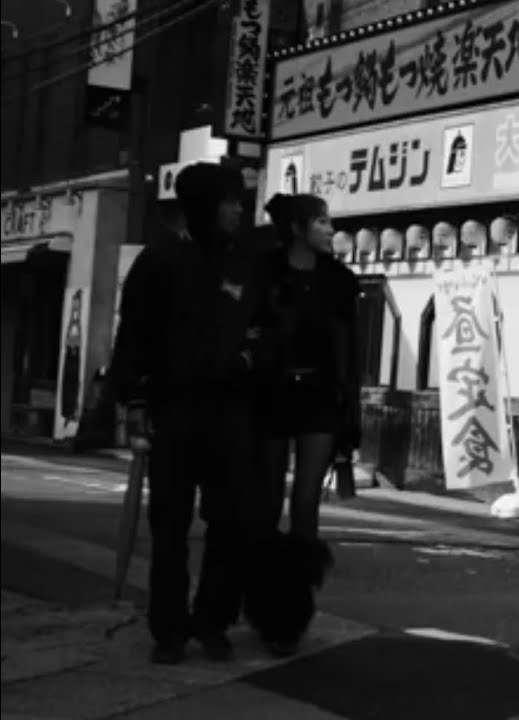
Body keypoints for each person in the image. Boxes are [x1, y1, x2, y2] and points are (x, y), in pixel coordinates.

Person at [108, 162, 267, 664]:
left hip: (230, 413)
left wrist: (247, 358)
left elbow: (265, 327)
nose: (238, 210)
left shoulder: (246, 262)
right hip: (174, 411)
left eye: (240, 201)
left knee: (229, 522)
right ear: (201, 206)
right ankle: (169, 629)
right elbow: (132, 335)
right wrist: (133, 400)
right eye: (228, 201)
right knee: (169, 526)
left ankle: (213, 621)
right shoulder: (159, 262)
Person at [258, 193, 361, 540]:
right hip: (270, 392)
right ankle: (260, 578)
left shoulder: (339, 281)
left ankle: (299, 583)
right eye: (322, 221)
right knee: (267, 499)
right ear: (297, 228)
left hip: (320, 394)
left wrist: (350, 407)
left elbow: (350, 349)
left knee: (307, 500)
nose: (331, 230)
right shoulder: (264, 273)